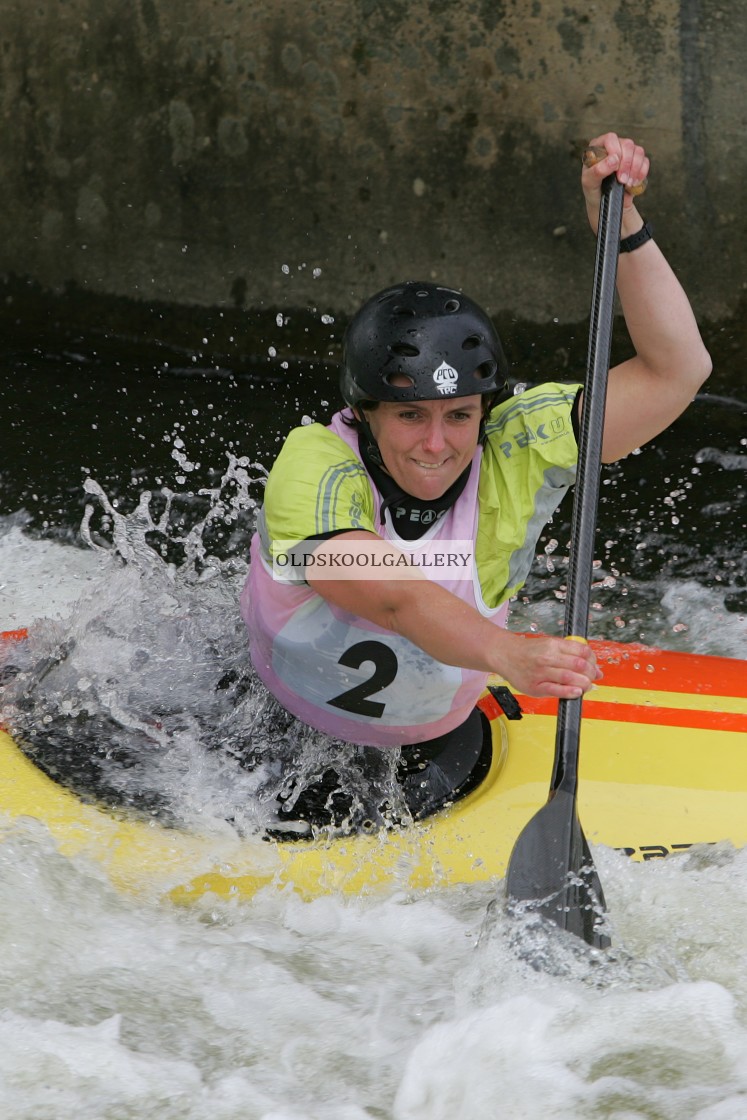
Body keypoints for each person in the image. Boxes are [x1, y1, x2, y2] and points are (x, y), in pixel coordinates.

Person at [240, 131, 711, 820]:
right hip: (270, 733)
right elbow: (393, 597)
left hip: (439, 751)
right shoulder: (312, 464)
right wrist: (505, 653)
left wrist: (621, 222)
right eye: (409, 417)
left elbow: (677, 371)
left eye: (459, 416)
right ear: (363, 410)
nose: (436, 444)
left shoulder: (516, 446)